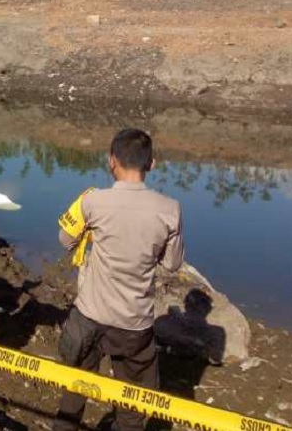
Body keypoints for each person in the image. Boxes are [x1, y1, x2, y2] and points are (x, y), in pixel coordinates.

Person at [52, 129, 185, 431]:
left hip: (89, 316)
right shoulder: (170, 210)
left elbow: (65, 239)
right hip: (134, 323)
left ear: (112, 161)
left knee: (75, 390)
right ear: (152, 163)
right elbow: (173, 263)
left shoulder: (92, 201)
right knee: (131, 405)